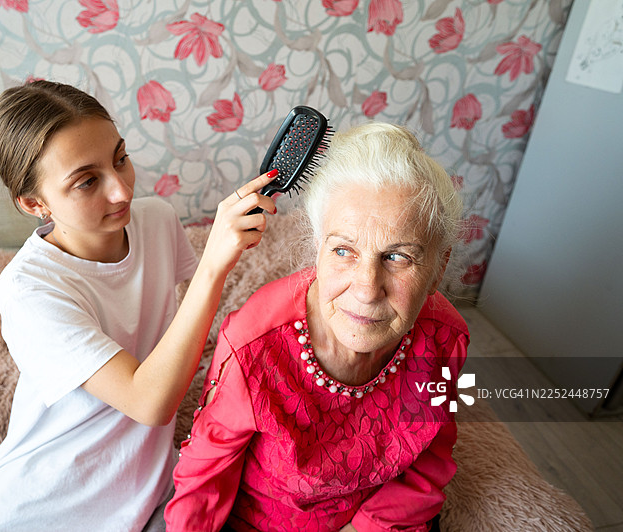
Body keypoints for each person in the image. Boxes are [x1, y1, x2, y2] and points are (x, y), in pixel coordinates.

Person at [0, 80, 278, 531]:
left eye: (121, 159)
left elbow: (170, 345)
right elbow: (148, 401)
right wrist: (214, 265)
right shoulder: (29, 288)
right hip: (45, 506)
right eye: (87, 181)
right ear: (35, 203)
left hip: (149, 492)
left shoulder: (156, 221)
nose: (122, 191)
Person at [164, 122, 470, 532]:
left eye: (397, 257)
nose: (366, 289)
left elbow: (427, 465)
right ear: (318, 251)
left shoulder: (445, 340)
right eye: (344, 250)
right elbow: (205, 475)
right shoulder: (255, 346)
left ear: (438, 269)